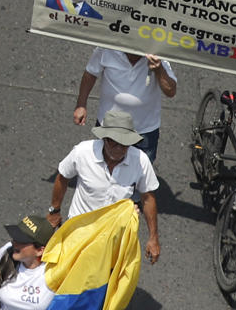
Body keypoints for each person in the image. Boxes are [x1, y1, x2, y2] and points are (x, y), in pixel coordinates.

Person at [49, 113, 163, 263]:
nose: (118, 148)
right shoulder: (82, 152)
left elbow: (148, 198)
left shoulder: (140, 161)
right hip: (78, 232)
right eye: (113, 142)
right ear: (103, 139)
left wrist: (153, 238)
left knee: (102, 283)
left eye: (124, 144)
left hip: (113, 239)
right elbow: (62, 177)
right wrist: (54, 211)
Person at [74, 49, 178, 164]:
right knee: (102, 168)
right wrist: (81, 105)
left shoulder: (159, 59)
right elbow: (90, 73)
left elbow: (171, 91)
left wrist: (159, 70)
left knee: (140, 174)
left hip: (143, 131)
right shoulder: (106, 49)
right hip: (109, 127)